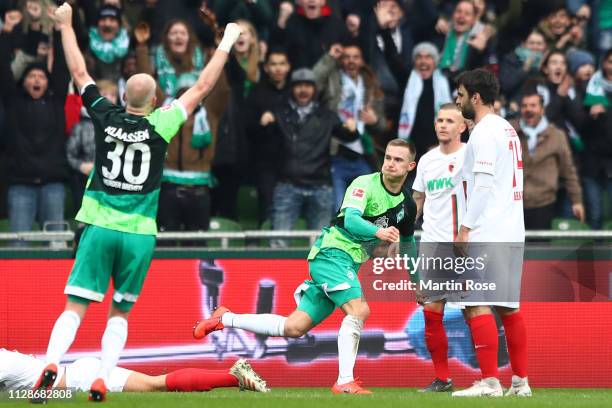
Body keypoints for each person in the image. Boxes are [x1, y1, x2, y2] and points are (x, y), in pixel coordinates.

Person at [32, 3, 242, 403]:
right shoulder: (162, 123)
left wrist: (65, 26)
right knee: (119, 313)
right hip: (139, 232)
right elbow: (201, 87)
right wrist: (227, 41)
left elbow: (79, 73)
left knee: (76, 306)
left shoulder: (105, 115)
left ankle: (52, 362)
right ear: (156, 99)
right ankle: (104, 375)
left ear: (124, 95)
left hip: (98, 224)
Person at [193, 139, 418, 395]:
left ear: (410, 166)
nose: (390, 163)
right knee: (359, 309)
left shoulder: (407, 205)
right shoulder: (364, 183)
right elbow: (352, 221)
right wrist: (379, 232)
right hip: (332, 253)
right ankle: (345, 381)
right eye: (388, 157)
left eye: (398, 160)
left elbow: (409, 245)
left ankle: (224, 318)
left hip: (349, 263)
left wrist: (418, 283)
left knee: (294, 327)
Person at [452, 68, 530, 397]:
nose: (456, 100)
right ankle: (521, 383)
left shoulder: (484, 132)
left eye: (460, 94)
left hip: (488, 229)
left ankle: (488, 382)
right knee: (508, 306)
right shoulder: (508, 129)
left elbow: (482, 183)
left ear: (475, 97)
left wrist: (465, 227)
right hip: (512, 228)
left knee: (475, 303)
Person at [411, 103, 467, 392]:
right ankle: (442, 378)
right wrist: (405, 228)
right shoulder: (427, 160)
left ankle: (491, 378)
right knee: (432, 311)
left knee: (480, 310)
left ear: (462, 127)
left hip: (467, 244)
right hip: (432, 244)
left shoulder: (471, 156)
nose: (443, 125)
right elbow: (418, 199)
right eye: (440, 120)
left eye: (449, 120)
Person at [313, 41, 385, 210]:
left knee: (372, 207)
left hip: (362, 153)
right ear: (341, 60)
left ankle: (371, 237)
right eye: (346, 57)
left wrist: (374, 121)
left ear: (362, 61)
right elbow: (312, 82)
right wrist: (330, 58)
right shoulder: (332, 79)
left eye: (356, 57)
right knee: (339, 209)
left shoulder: (370, 85)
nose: (351, 61)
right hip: (336, 151)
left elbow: (381, 125)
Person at [1, 348, 268, 393]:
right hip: (76, 376)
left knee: (157, 385)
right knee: (157, 385)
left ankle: (235, 376)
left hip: (81, 380)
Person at [512, 92, 584, 229]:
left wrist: (577, 201)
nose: (528, 109)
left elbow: (568, 171)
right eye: (524, 106)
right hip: (514, 205)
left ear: (542, 109)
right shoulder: (510, 132)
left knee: (540, 249)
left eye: (533, 105)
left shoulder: (556, 136)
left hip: (544, 204)